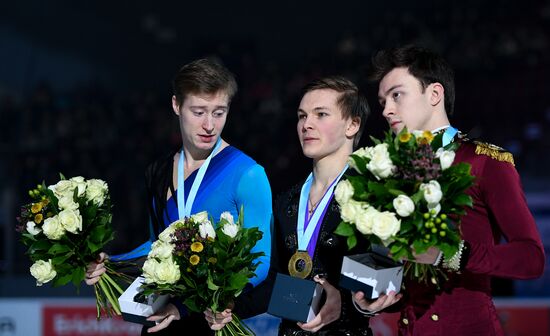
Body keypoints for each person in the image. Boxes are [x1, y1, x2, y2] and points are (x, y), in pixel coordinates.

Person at [352, 45, 545, 335]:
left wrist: (451, 255)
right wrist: (377, 299)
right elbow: (408, 278)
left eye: (397, 95)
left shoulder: (484, 162)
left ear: (434, 94)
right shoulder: (387, 171)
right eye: (382, 101)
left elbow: (531, 259)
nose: (386, 109)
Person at [85, 58, 273, 334]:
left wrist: (222, 301)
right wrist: (110, 264)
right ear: (176, 105)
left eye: (219, 112)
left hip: (214, 321)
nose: (209, 125)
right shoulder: (158, 171)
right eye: (198, 112)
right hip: (162, 321)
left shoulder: (248, 174)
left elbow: (260, 259)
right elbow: (156, 246)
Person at [206, 76, 402, 335]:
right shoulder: (286, 200)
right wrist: (230, 306)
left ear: (352, 125)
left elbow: (388, 281)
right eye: (301, 116)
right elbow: (272, 281)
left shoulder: (372, 195)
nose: (306, 125)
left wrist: (345, 305)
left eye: (321, 114)